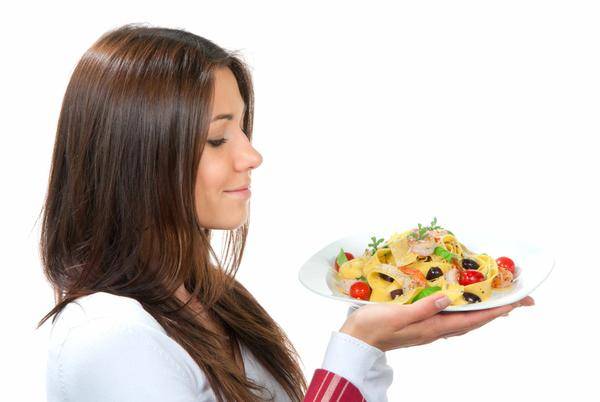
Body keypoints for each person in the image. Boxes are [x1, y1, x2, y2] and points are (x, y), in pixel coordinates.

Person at [37, 23, 534, 402]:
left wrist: (371, 345)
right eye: (218, 138)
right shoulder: (110, 338)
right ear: (137, 158)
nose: (251, 156)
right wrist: (355, 348)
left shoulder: (211, 299)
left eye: (243, 130)